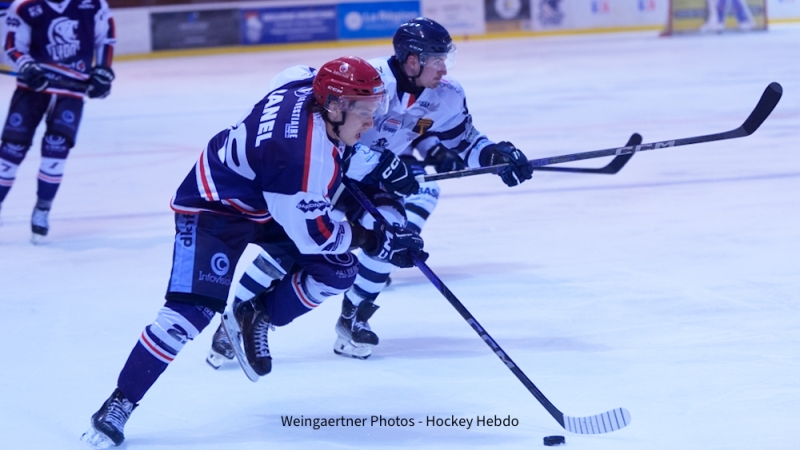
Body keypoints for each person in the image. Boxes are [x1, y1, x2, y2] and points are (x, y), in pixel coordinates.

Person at [80, 56, 426, 449]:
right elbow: (317, 235)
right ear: (334, 106)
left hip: (267, 197)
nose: (371, 122)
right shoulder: (301, 160)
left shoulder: (303, 83)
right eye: (365, 112)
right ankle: (120, 402)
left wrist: (369, 160)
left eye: (375, 109)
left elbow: (298, 83)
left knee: (338, 272)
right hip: (215, 206)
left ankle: (255, 313)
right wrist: (375, 239)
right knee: (187, 316)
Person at [205, 17, 534, 366]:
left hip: (370, 182)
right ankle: (231, 323)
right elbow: (325, 126)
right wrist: (378, 163)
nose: (443, 67)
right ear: (412, 60)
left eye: (445, 59)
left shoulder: (448, 96)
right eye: (436, 59)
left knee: (393, 233)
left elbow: (465, 140)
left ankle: (353, 319)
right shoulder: (368, 80)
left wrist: (494, 155)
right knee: (289, 248)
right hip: (324, 172)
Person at [0, 0, 116, 243]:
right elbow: (12, 46)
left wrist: (103, 71)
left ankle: (43, 208)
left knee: (57, 147)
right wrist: (28, 66)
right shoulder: (24, 7)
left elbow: (105, 38)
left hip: (71, 94)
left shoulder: (92, 4)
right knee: (11, 151)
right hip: (31, 91)